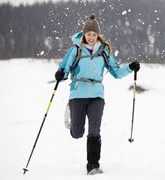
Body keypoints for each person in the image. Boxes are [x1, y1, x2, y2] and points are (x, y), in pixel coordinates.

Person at [54, 15, 140, 175]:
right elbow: (64, 67)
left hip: (97, 96)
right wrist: (60, 74)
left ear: (98, 35)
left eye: (94, 34)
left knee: (94, 130)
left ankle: (93, 165)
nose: (91, 37)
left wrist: (130, 67)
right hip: (77, 94)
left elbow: (116, 72)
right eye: (89, 34)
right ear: (84, 34)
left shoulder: (104, 51)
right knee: (77, 133)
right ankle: (72, 117)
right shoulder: (76, 50)